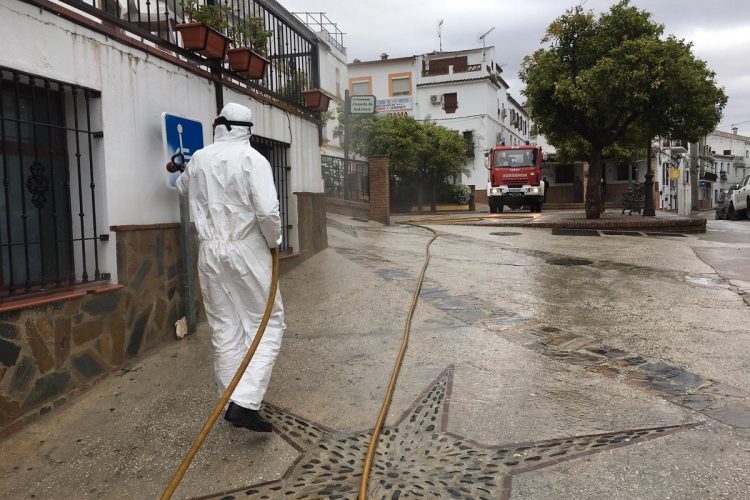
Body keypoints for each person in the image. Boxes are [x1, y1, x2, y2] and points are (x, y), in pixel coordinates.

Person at [176, 103, 285, 433]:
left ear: (219, 125)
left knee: (225, 328)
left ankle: (232, 399)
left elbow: (182, 187)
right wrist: (274, 241)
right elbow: (266, 212)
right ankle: (245, 402)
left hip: (208, 252)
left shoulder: (199, 158)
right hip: (245, 249)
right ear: (247, 128)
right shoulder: (254, 160)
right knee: (267, 324)